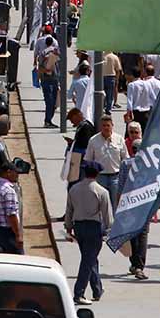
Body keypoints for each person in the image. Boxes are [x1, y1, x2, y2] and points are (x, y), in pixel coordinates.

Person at [64, 162, 112, 305]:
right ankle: (79, 293)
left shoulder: (74, 189)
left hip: (79, 228)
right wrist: (109, 231)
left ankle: (97, 289)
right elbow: (107, 215)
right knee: (87, 261)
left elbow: (69, 210)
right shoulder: (102, 191)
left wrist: (68, 228)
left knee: (90, 258)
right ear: (97, 174)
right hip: (94, 228)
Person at [83, 115, 128, 202]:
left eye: (108, 125)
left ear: (112, 125)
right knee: (101, 202)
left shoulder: (119, 139)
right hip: (100, 177)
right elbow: (88, 160)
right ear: (100, 127)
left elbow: (125, 159)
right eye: (104, 125)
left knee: (116, 203)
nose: (106, 128)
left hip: (116, 176)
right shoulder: (93, 140)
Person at [125, 63, 160, 132]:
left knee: (132, 132)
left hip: (135, 112)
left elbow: (129, 100)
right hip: (146, 112)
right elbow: (153, 98)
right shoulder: (147, 83)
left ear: (132, 75)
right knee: (144, 132)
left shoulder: (131, 85)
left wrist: (128, 112)